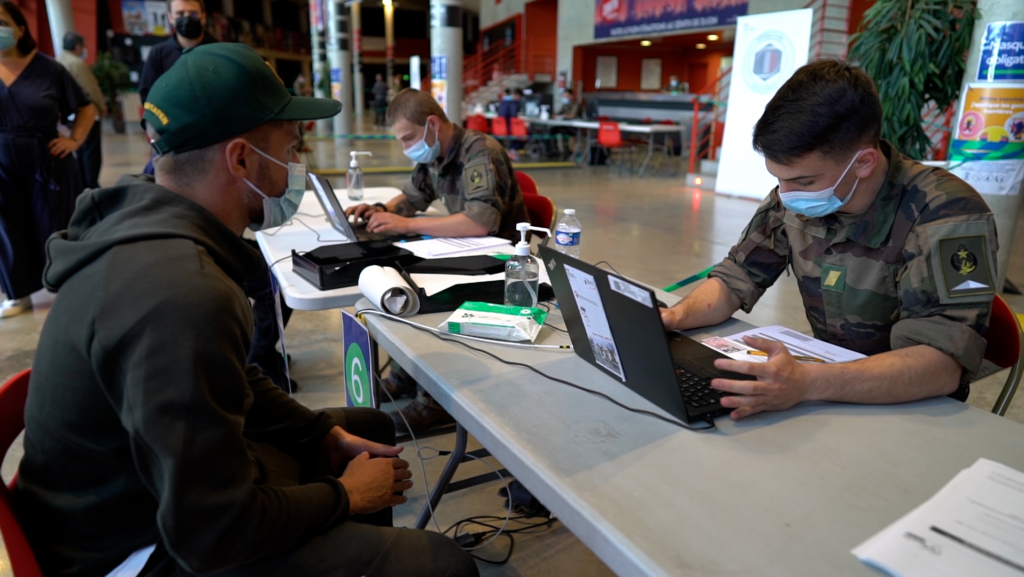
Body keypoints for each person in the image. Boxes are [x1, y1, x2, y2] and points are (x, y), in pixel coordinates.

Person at [17, 43, 478, 577]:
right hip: (132, 550)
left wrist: (319, 435)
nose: (298, 163)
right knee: (440, 564)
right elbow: (212, 532)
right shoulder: (182, 293)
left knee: (364, 428)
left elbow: (236, 375)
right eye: (291, 145)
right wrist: (343, 498)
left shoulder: (146, 223)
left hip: (139, 492)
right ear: (240, 158)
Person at [659, 60, 997, 421]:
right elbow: (736, 276)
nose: (785, 195)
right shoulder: (793, 197)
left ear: (863, 162)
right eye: (779, 178)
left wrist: (807, 383)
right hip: (824, 386)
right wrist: (675, 317)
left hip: (910, 407)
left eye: (803, 182)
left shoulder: (947, 214)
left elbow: (941, 364)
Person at [345, 88, 529, 432]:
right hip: (469, 252)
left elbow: (480, 221)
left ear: (432, 123)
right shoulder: (435, 155)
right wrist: (380, 212)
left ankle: (434, 402)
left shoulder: (479, 151)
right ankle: (405, 373)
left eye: (409, 138)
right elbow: (413, 196)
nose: (406, 148)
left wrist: (407, 224)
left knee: (421, 289)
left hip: (501, 262)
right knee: (399, 277)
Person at [0, 2, 95, 318]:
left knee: (55, 225)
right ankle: (18, 293)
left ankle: (69, 285)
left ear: (19, 29)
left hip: (48, 159)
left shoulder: (49, 68)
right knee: (7, 229)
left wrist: (75, 140)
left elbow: (85, 107)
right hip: (2, 161)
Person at [138, 0, 217, 103]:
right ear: (170, 18)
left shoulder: (219, 51)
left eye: (193, 13)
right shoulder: (158, 53)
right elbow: (147, 95)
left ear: (203, 17)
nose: (187, 18)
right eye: (180, 14)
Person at [58, 31, 107, 190]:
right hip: (87, 115)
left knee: (80, 152)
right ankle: (91, 186)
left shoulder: (58, 61)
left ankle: (82, 185)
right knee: (91, 153)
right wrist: (101, 107)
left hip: (70, 115)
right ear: (78, 47)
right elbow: (90, 90)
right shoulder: (77, 63)